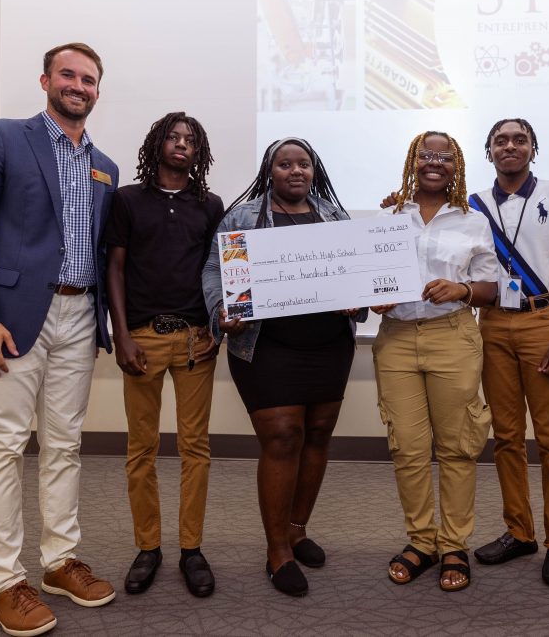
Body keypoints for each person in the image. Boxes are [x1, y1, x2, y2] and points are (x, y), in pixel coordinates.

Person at [0, 42, 117, 636]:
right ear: (45, 80)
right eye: (68, 74)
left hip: (79, 317)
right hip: (12, 320)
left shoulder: (105, 166)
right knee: (6, 444)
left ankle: (59, 561)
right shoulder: (0, 138)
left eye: (89, 79)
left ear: (98, 90)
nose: (78, 85)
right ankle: (5, 581)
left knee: (65, 445)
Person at [200, 137, 364, 597]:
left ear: (314, 171)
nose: (296, 171)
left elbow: (353, 271)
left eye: (304, 164)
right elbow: (215, 271)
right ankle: (278, 551)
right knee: (283, 435)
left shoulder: (333, 215)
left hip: (329, 345)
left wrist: (359, 297)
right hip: (266, 347)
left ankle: (297, 528)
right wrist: (222, 311)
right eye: (285, 164)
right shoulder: (243, 217)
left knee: (317, 433)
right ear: (269, 172)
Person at [373, 131, 499, 592]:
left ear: (457, 166)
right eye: (425, 155)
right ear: (412, 160)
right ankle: (421, 541)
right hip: (398, 339)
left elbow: (490, 286)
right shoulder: (387, 215)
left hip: (453, 336)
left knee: (458, 446)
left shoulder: (472, 221)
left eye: (444, 157)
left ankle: (453, 545)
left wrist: (462, 289)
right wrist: (375, 299)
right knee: (406, 446)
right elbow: (369, 281)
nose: (434, 163)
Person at [105, 113, 224, 598]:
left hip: (198, 339)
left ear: (199, 153)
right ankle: (148, 547)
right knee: (142, 449)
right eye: (172, 138)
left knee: (195, 448)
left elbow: (221, 269)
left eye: (190, 141)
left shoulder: (209, 204)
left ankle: (191, 549)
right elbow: (114, 267)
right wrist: (122, 335)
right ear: (156, 144)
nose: (180, 145)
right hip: (144, 338)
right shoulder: (127, 200)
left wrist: (217, 323)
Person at [469, 119, 549, 587]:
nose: (510, 146)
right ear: (489, 151)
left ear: (533, 148)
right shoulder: (474, 207)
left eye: (520, 139)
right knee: (507, 436)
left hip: (545, 320)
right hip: (494, 322)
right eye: (501, 140)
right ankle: (520, 531)